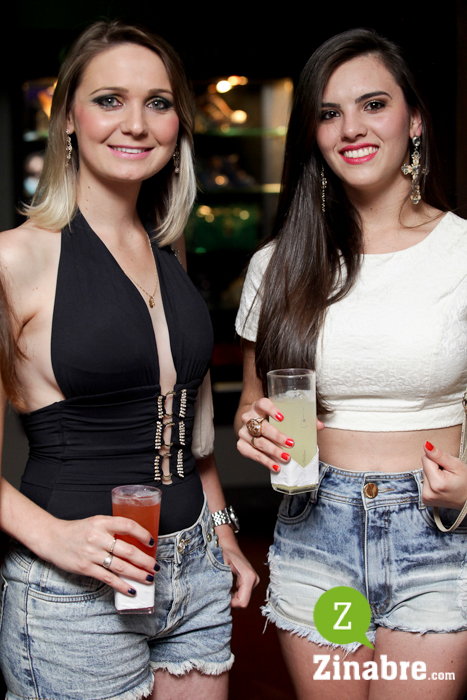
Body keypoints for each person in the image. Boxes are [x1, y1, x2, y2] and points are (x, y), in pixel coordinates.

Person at [0, 20, 258, 700]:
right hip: (77, 592)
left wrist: (224, 534)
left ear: (178, 125)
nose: (136, 124)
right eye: (109, 99)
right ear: (67, 118)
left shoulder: (167, 249)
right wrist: (50, 538)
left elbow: (190, 431)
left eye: (158, 102)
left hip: (194, 572)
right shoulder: (14, 259)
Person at [235, 28, 467, 700]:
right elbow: (254, 401)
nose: (351, 129)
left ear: (413, 120)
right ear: (313, 133)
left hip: (435, 533)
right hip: (316, 530)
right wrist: (255, 429)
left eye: (373, 104)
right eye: (329, 112)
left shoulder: (460, 250)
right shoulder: (277, 263)